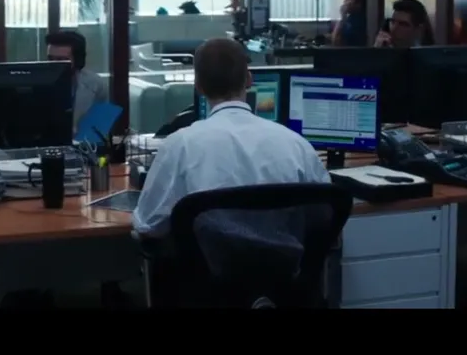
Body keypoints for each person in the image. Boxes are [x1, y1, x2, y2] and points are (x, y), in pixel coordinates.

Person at [132, 38, 330, 239]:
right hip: (286, 259)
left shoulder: (179, 146)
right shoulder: (296, 145)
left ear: (198, 87)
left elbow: (149, 224)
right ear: (249, 80)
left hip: (206, 260)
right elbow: (328, 212)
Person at [45, 30, 108, 132]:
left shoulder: (97, 85)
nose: (54, 65)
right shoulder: (35, 84)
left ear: (78, 60)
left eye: (61, 60)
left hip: (80, 141)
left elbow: (99, 132)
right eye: (50, 59)